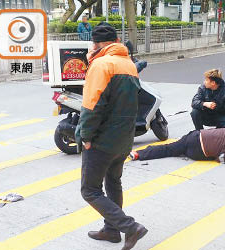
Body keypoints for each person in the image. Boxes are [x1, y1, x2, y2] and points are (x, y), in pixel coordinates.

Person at [75, 22, 147, 250]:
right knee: (113, 182)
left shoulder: (101, 65)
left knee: (90, 190)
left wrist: (85, 135)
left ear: (97, 44)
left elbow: (92, 106)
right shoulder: (128, 64)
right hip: (124, 139)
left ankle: (130, 226)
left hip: (102, 141)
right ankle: (111, 230)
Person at [129, 126, 225, 163]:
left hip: (197, 135)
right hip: (198, 153)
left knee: (169, 148)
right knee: (172, 151)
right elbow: (221, 159)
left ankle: (138, 153)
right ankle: (138, 155)